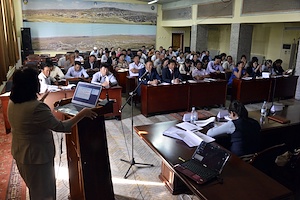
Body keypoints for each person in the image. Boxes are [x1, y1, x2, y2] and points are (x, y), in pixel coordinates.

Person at [7, 67, 97, 200]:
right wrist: (82, 113)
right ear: (32, 84)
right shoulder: (37, 107)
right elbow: (61, 126)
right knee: (45, 194)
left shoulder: (13, 101)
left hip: (21, 153)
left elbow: (26, 116)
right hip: (37, 157)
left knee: (35, 189)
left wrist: (41, 100)